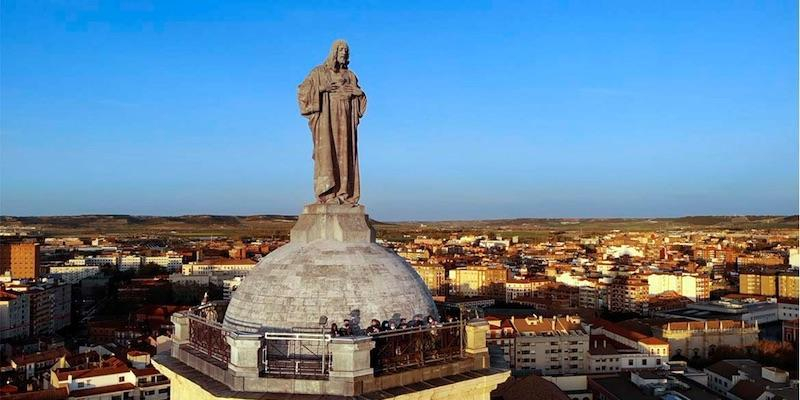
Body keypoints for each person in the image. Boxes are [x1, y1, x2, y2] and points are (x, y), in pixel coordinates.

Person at [297, 39, 367, 205]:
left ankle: (344, 193)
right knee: (328, 154)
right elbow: (302, 92)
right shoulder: (319, 72)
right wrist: (321, 89)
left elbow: (361, 102)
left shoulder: (350, 76)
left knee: (345, 155)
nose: (344, 53)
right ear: (334, 52)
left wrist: (358, 93)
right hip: (327, 120)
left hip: (346, 122)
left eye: (346, 50)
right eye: (341, 49)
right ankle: (328, 194)